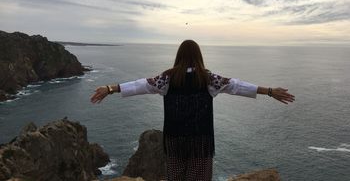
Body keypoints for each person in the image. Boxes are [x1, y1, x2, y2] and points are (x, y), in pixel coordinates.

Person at [90, 40, 295, 181]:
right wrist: (268, 91)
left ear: (179, 56)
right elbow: (236, 86)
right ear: (199, 56)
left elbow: (140, 85)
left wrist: (110, 88)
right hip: (200, 141)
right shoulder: (208, 78)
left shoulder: (167, 78)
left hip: (175, 141)